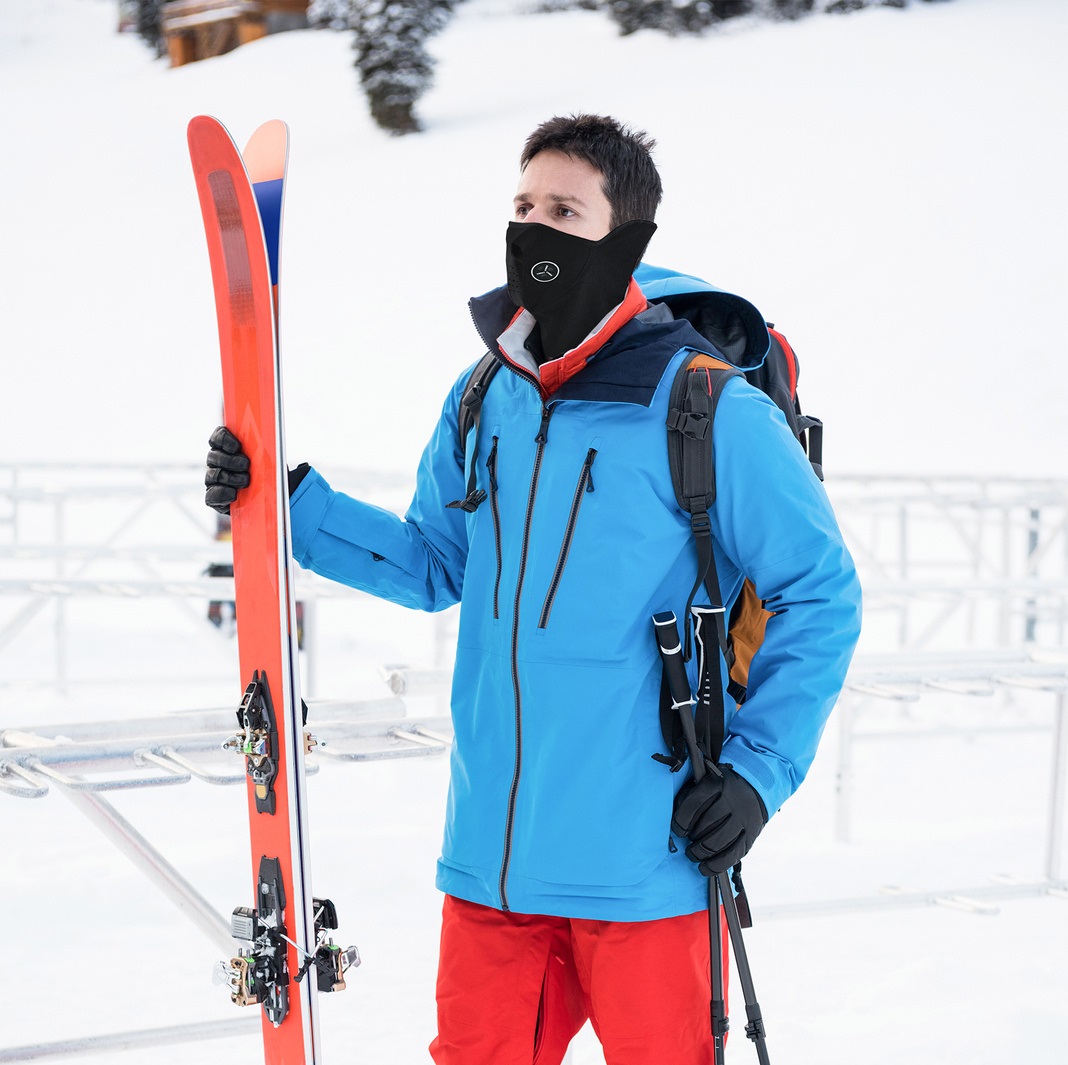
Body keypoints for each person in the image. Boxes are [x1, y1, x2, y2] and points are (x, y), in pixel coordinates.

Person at [205, 114, 862, 1064]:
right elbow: (437, 562)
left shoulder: (707, 406)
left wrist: (760, 774)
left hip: (648, 865)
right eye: (522, 206)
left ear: (625, 237)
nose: (535, 228)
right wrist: (288, 507)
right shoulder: (484, 394)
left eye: (565, 208)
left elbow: (822, 593)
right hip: (493, 867)